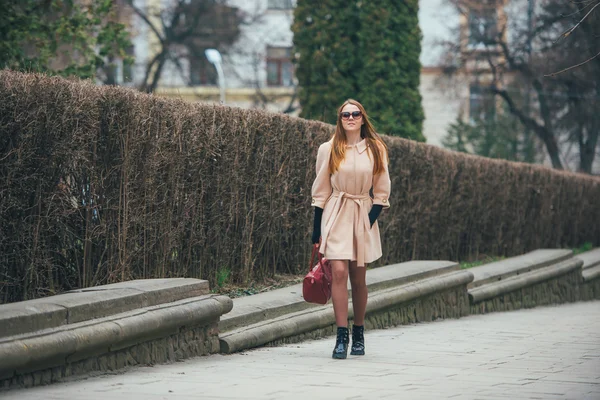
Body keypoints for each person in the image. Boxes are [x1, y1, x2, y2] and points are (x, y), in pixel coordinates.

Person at [311, 99, 391, 359]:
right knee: (339, 271)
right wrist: (316, 230)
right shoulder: (328, 148)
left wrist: (369, 220)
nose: (350, 117)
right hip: (336, 211)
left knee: (359, 276)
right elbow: (320, 191)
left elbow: (381, 191)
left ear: (362, 117)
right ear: (340, 118)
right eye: (345, 114)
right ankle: (341, 335)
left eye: (355, 113)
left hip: (362, 212)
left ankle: (359, 331)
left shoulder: (376, 149)